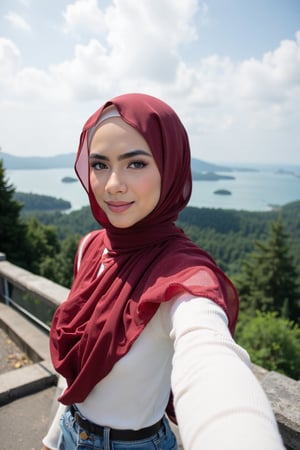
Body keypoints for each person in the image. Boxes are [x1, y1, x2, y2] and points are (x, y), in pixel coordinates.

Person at [42, 93, 285, 450]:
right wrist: (52, 437)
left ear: (170, 167)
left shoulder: (184, 277)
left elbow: (210, 360)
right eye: (99, 165)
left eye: (135, 164)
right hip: (68, 431)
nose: (112, 185)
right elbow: (79, 370)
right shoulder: (91, 248)